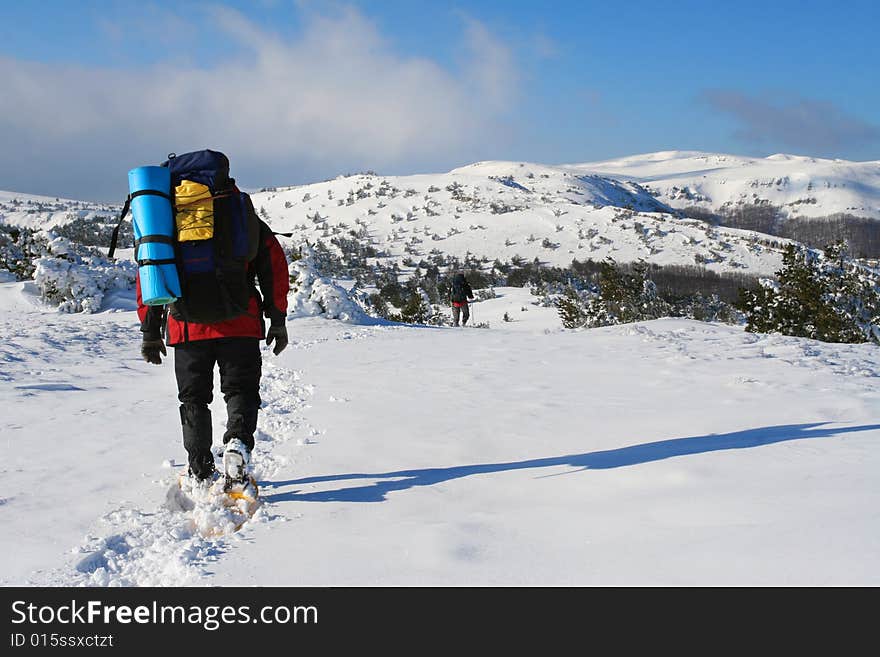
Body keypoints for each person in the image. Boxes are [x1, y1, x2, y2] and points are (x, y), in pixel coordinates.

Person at [137, 177, 290, 485]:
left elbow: (150, 273)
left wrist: (150, 331)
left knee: (193, 398)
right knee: (241, 390)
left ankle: (199, 466)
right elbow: (273, 267)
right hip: (241, 324)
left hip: (187, 327)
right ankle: (237, 444)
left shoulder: (166, 218)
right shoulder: (240, 213)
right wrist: (277, 319)